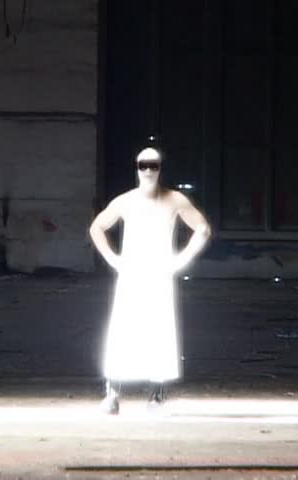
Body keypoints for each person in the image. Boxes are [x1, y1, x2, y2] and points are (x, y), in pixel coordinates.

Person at [89, 141, 212, 414]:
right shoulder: (125, 201)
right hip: (133, 273)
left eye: (153, 165)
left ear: (160, 169)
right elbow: (97, 227)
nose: (147, 170)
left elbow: (202, 228)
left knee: (160, 332)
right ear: (136, 168)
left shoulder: (175, 200)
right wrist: (113, 259)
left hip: (159, 273)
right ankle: (112, 392)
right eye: (143, 165)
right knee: (124, 330)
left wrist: (182, 259)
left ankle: (156, 396)